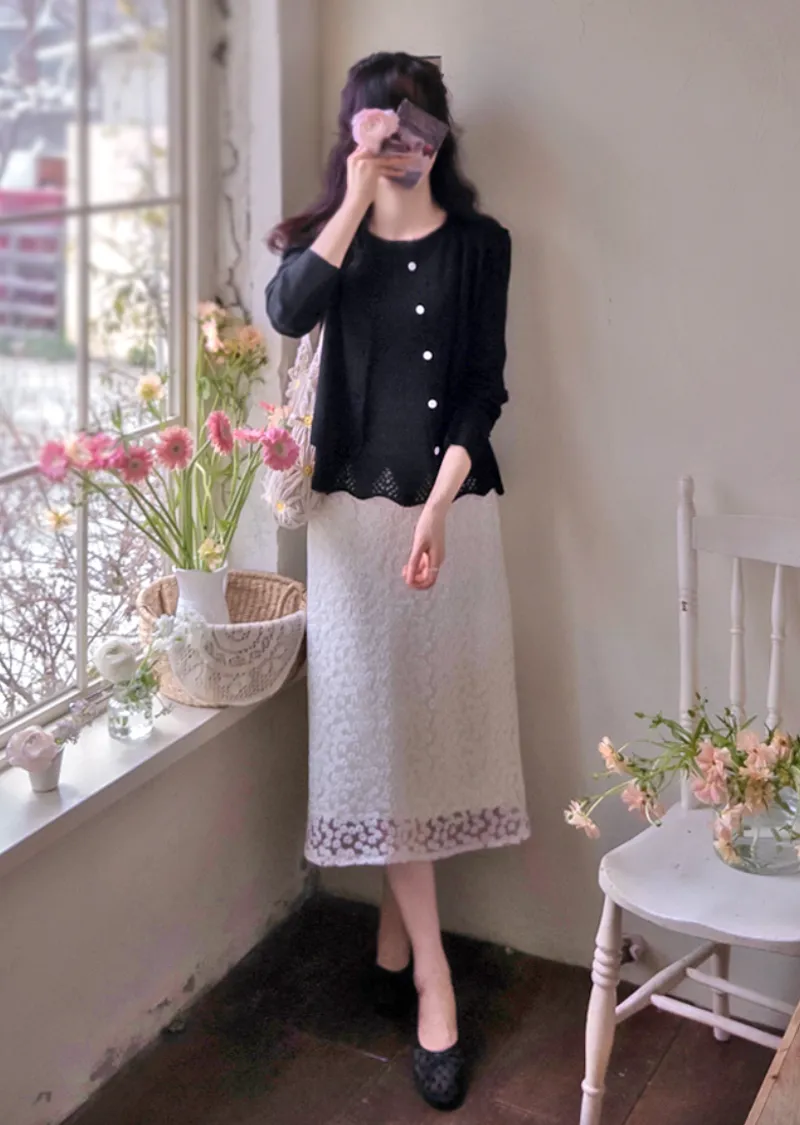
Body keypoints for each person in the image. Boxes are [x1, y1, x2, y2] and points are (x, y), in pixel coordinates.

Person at [266, 51, 530, 1113]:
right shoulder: (327, 246)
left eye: (414, 126)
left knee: (418, 735)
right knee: (377, 738)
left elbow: (481, 389)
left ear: (440, 132)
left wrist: (437, 507)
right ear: (356, 133)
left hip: (448, 522)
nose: (400, 143)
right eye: (380, 128)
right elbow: (288, 312)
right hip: (348, 535)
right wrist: (352, 196)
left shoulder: (481, 246)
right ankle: (433, 980)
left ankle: (389, 938)